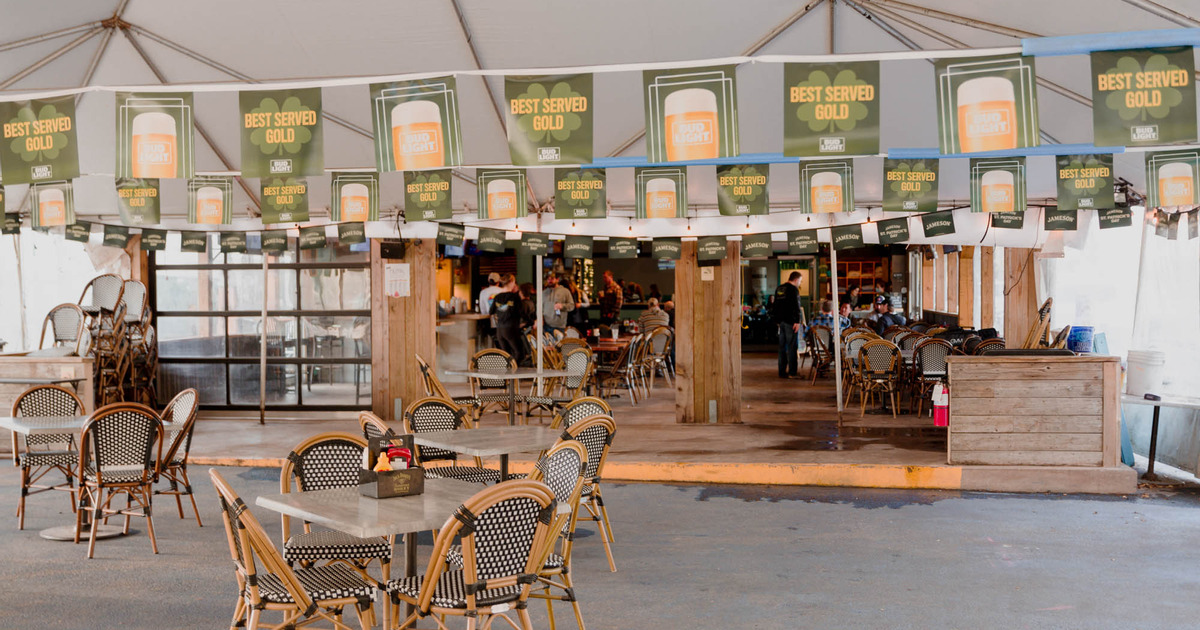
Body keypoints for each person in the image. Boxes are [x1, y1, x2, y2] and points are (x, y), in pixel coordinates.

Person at [772, 271, 802, 378]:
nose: (800, 283)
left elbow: (775, 305)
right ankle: (792, 372)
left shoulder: (779, 289)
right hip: (791, 322)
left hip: (781, 322)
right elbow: (796, 306)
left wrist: (777, 321)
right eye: (800, 281)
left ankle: (782, 372)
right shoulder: (793, 290)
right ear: (796, 280)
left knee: (782, 348)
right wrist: (797, 321)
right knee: (792, 347)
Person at [491, 274, 526, 365]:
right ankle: (513, 371)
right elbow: (521, 312)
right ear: (512, 282)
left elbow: (491, 311)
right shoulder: (515, 297)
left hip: (500, 330)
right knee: (520, 353)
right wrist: (531, 321)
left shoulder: (497, 297)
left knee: (506, 355)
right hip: (511, 328)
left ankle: (508, 371)